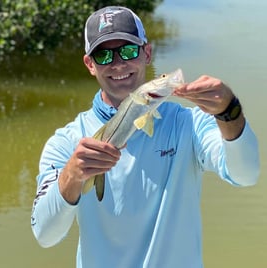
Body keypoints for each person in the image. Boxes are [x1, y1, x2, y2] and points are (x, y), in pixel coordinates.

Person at [31, 6, 260, 268]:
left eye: (129, 51)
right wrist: (72, 175)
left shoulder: (188, 123)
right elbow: (45, 235)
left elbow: (246, 174)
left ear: (147, 53)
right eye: (104, 55)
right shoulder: (66, 143)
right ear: (90, 65)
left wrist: (229, 112)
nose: (118, 64)